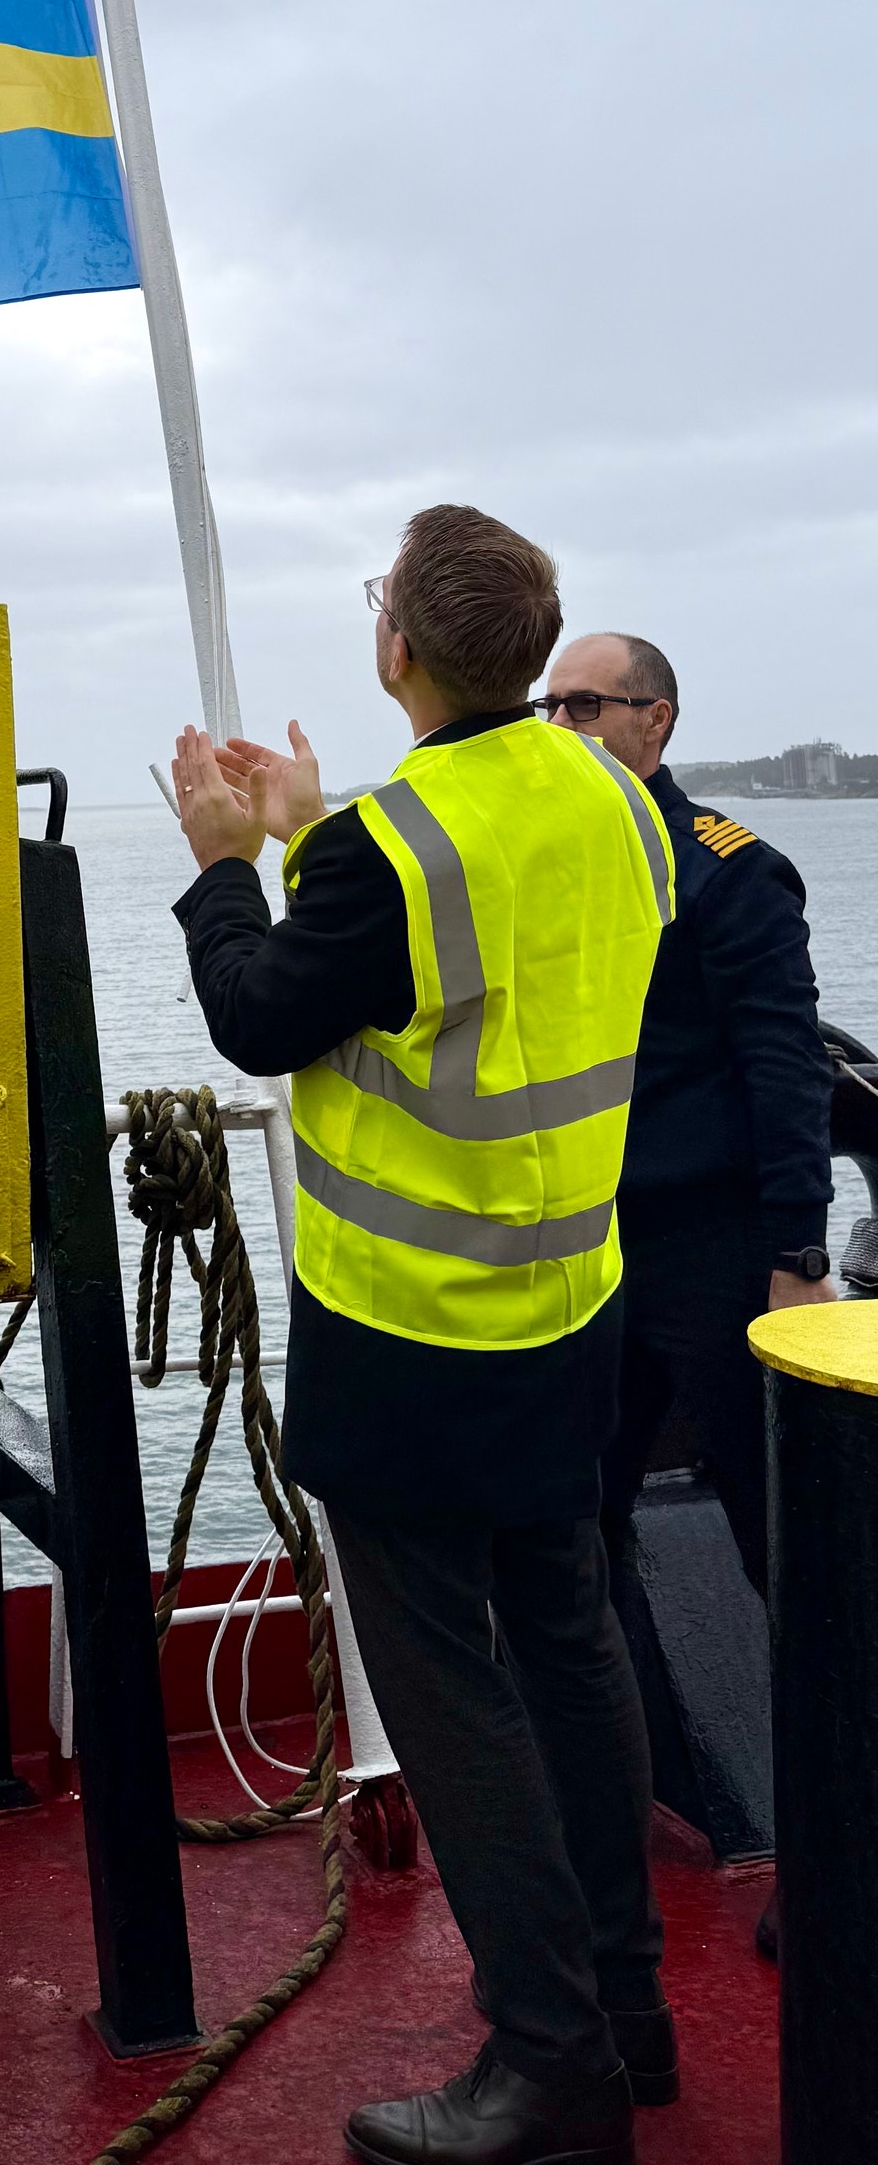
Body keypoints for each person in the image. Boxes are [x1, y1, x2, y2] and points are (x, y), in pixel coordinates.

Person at [170, 504, 674, 2165]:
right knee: (574, 1639)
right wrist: (318, 838)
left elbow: (262, 1015)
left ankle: (548, 2062)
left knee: (449, 1688)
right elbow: (476, 954)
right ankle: (627, 2010)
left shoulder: (395, 847)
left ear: (397, 647)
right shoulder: (620, 801)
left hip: (411, 1328)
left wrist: (225, 863)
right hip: (571, 1298)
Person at [540, 633, 835, 1966]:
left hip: (718, 1257)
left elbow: (787, 1066)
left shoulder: (728, 874)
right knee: (570, 1529)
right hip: (589, 1256)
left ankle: (836, 1855)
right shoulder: (548, 870)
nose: (560, 722)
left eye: (584, 703)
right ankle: (622, 1801)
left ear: (654, 722)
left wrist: (797, 1253)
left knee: (792, 1554)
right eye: (547, 703)